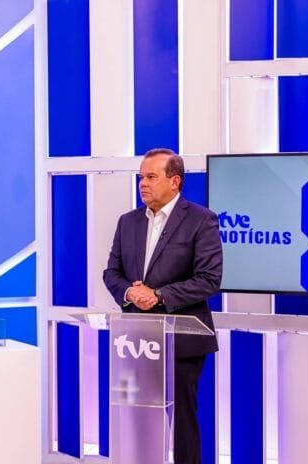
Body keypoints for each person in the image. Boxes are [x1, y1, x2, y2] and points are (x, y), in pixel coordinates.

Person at [103, 148, 222, 464]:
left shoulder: (201, 220)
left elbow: (209, 279)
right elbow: (111, 273)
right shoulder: (127, 222)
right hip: (136, 341)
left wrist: (158, 295)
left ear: (175, 181)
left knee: (182, 417)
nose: (143, 183)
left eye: (151, 177)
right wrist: (130, 292)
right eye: (141, 177)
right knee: (136, 415)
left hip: (182, 339)